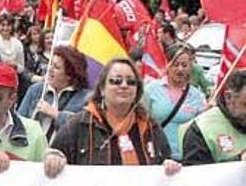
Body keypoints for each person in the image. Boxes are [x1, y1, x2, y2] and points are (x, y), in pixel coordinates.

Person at [46, 58, 181, 177]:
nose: (124, 85)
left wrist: (170, 167)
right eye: (116, 81)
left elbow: (166, 163)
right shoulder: (78, 125)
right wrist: (53, 159)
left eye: (131, 82)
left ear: (137, 91)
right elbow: (54, 155)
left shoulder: (152, 129)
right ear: (102, 89)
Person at [143, 45, 206, 160]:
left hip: (186, 158)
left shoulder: (196, 95)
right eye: (175, 64)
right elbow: (140, 121)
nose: (180, 69)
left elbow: (200, 128)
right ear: (167, 65)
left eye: (184, 65)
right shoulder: (151, 90)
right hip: (157, 157)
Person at [18, 45, 91, 139]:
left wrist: (55, 114)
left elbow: (82, 129)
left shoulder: (85, 98)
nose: (49, 69)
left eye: (56, 67)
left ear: (70, 75)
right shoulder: (36, 90)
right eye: (50, 64)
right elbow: (19, 122)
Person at [181, 70, 246, 165]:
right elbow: (196, 174)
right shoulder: (202, 130)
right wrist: (239, 160)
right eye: (245, 104)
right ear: (229, 97)